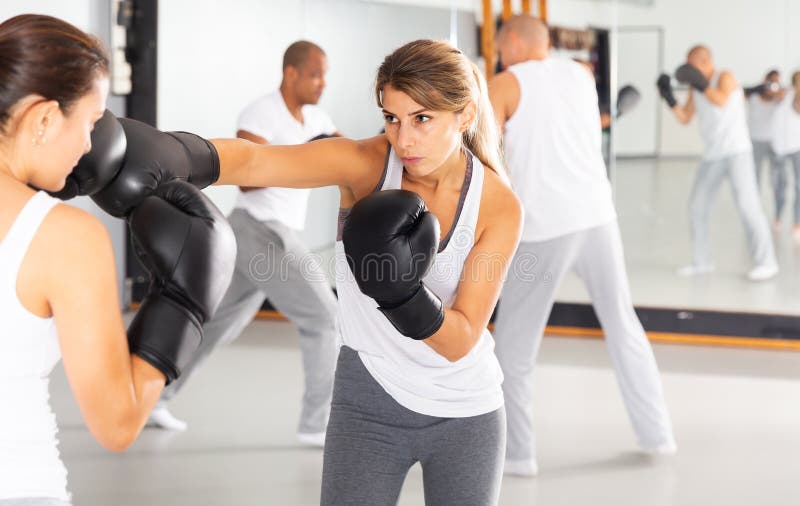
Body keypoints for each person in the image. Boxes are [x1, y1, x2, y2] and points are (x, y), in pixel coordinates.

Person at [209, 38, 521, 506]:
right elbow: (256, 160)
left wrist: (398, 293)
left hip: (466, 411)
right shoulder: (368, 164)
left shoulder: (498, 205)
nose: (404, 139)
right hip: (367, 403)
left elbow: (460, 341)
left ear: (466, 116)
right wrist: (164, 155)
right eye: (392, 119)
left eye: (422, 119)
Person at [0, 14, 234, 505]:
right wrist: (182, 302)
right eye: (89, 122)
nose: (89, 145)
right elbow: (118, 423)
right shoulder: (63, 239)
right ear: (43, 118)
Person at [487, 14, 676, 477]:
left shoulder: (504, 83)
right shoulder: (580, 74)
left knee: (513, 346)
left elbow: (484, 152)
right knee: (623, 325)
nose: (498, 53)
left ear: (511, 41)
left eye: (499, 45)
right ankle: (658, 435)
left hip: (543, 228)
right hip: (597, 218)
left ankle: (518, 456)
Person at [149, 41, 341, 444]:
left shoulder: (318, 117)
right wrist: (305, 154)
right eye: (315, 74)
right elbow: (248, 179)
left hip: (267, 233)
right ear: (291, 73)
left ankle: (153, 397)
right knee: (325, 317)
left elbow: (348, 153)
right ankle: (315, 425)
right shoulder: (261, 113)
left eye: (325, 75)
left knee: (216, 324)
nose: (323, 83)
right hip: (259, 228)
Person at [657, 45, 778, 280]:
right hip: (713, 155)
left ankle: (767, 262)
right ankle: (702, 262)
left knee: (747, 205)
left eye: (691, 64)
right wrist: (668, 96)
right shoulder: (695, 87)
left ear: (703, 62)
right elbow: (685, 117)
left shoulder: (725, 76)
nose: (688, 69)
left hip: (737, 152)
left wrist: (700, 84)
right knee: (697, 207)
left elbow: (721, 100)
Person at [770, 71, 800, 240]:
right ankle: (778, 216)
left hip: (797, 147)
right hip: (780, 148)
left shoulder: (797, 99)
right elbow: (773, 98)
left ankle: (797, 222)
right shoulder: (784, 94)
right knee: (780, 186)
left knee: (799, 186)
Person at [746, 70, 784, 194]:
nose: (773, 85)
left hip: (774, 140)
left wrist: (777, 94)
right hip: (756, 139)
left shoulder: (779, 98)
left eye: (776, 82)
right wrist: (760, 88)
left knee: (776, 171)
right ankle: (754, 196)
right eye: (771, 82)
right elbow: (740, 92)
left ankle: (777, 195)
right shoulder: (753, 96)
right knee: (755, 170)